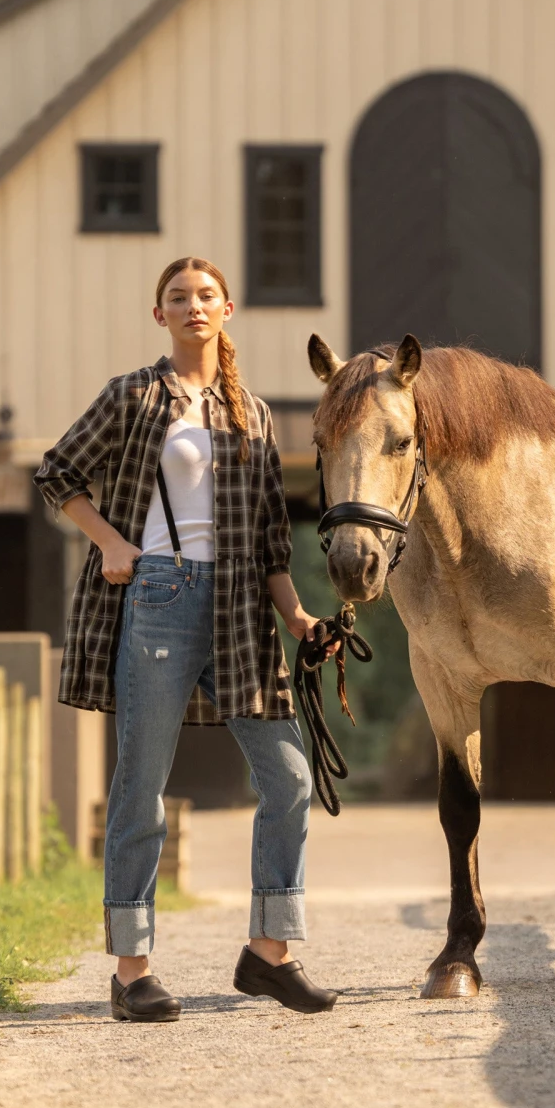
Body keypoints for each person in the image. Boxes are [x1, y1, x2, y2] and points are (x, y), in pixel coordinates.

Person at [35, 256, 338, 1021]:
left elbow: (273, 539)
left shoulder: (257, 415)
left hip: (241, 603)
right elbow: (57, 473)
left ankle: (270, 953)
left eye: (205, 295)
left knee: (290, 778)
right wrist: (108, 542)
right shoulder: (135, 396)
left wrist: (297, 616)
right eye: (178, 297)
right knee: (143, 787)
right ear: (159, 316)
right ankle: (131, 970)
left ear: (227, 309)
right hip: (161, 595)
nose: (192, 306)